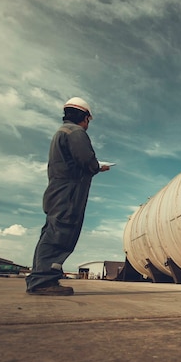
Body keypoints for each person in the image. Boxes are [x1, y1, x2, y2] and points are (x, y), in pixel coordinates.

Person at [26, 97, 111, 295]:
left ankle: (41, 276)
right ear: (86, 118)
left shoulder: (61, 132)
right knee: (61, 233)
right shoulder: (76, 133)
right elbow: (87, 161)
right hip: (69, 193)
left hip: (57, 190)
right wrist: (99, 167)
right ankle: (44, 282)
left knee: (51, 231)